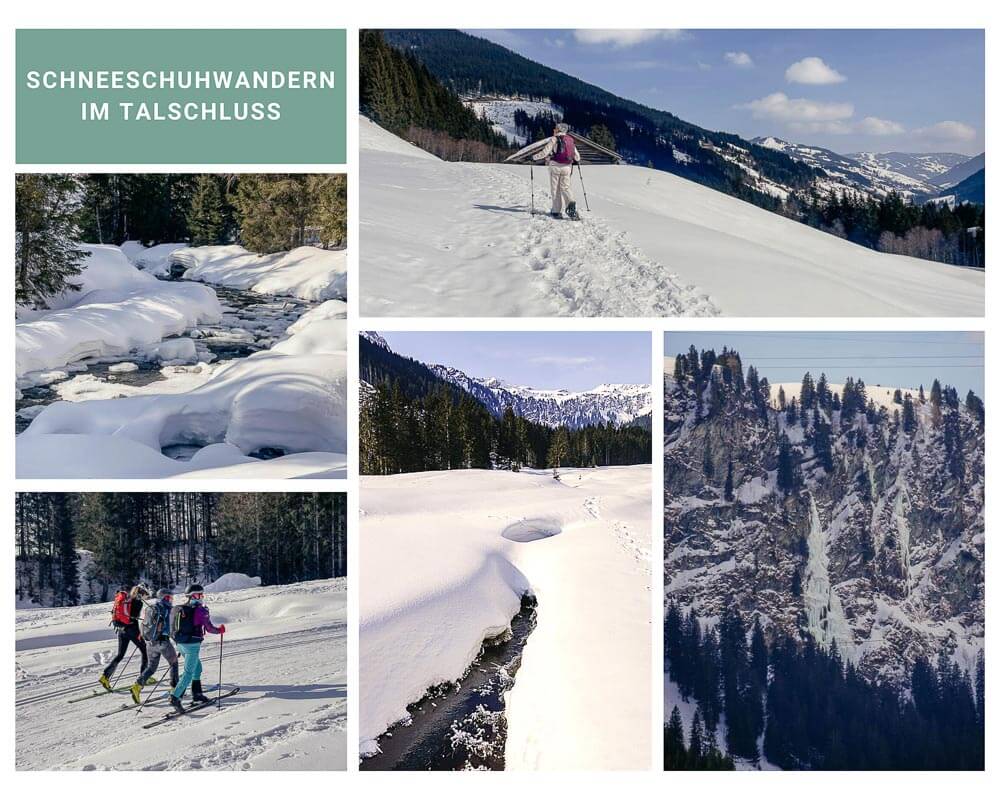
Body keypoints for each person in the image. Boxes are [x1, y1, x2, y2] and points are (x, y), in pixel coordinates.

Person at [168, 584, 226, 713]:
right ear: (194, 595)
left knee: (197, 668)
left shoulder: (181, 608)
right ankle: (175, 697)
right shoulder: (200, 610)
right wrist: (220, 630)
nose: (202, 597)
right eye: (200, 594)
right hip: (192, 646)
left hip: (180, 644)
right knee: (189, 673)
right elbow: (210, 628)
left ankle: (197, 694)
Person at [129, 588, 179, 704]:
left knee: (151, 667)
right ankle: (175, 689)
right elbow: (171, 628)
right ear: (162, 597)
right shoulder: (167, 610)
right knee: (174, 663)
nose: (170, 600)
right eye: (168, 597)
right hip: (163, 642)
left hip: (150, 643)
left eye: (170, 598)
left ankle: (137, 686)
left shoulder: (152, 608)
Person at [99, 584, 149, 691]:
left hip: (121, 629)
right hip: (131, 629)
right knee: (145, 651)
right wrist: (140, 634)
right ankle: (143, 678)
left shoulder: (127, 600)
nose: (146, 597)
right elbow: (134, 620)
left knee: (120, 655)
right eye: (145, 595)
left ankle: (105, 676)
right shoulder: (138, 602)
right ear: (141, 594)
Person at [531, 122, 581, 220]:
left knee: (555, 190)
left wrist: (534, 157)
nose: (554, 129)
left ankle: (556, 211)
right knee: (566, 188)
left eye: (555, 128)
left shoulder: (554, 139)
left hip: (555, 167)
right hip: (567, 168)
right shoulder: (570, 140)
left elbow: (544, 153)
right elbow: (577, 157)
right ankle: (572, 209)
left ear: (559, 129)